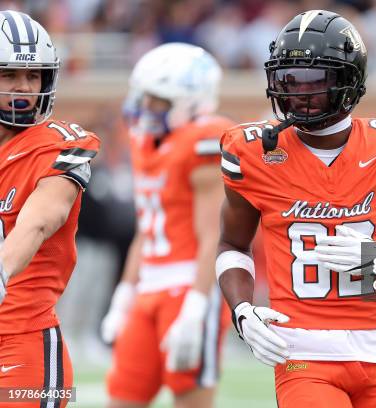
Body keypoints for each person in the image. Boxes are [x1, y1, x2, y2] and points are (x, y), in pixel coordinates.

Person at [215, 10, 376, 408]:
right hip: (303, 355)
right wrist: (241, 310)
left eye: (315, 80)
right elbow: (232, 245)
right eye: (289, 79)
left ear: (349, 82)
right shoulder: (252, 152)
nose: (299, 94)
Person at [101, 43, 232, 408]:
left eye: (157, 100)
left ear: (192, 101)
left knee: (190, 399)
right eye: (143, 97)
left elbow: (213, 237)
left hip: (189, 284)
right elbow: (146, 227)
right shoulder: (145, 140)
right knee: (123, 396)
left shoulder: (202, 142)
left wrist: (196, 306)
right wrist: (124, 293)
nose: (145, 108)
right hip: (149, 287)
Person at [0, 10, 100, 407]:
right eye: (9, 75)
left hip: (23, 340)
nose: (24, 87)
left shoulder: (59, 144)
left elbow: (39, 221)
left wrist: (1, 270)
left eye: (33, 75)